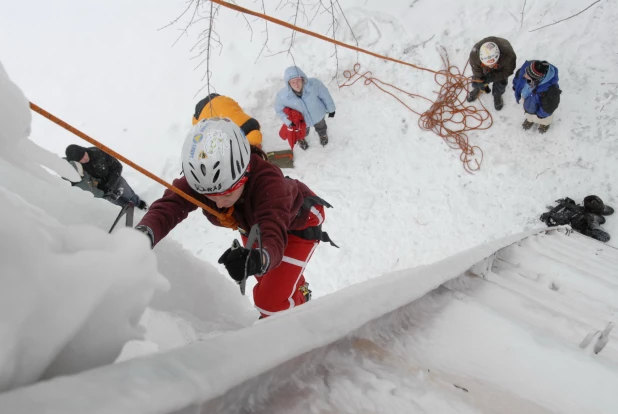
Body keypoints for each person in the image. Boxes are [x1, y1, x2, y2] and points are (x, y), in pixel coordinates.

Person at [134, 117, 337, 318]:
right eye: (210, 197)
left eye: (227, 194)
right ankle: (291, 279)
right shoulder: (204, 176)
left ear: (244, 174)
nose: (219, 203)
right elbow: (171, 205)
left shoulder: (270, 185)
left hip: (300, 223)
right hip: (254, 223)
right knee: (262, 274)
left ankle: (301, 303)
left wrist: (261, 258)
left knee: (268, 304)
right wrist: (144, 234)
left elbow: (272, 234)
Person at [65, 145, 148, 210]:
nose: (85, 158)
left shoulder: (97, 153)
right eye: (81, 159)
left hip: (117, 181)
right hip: (103, 191)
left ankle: (138, 203)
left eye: (84, 154)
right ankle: (127, 208)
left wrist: (109, 186)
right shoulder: (78, 167)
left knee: (129, 195)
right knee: (118, 202)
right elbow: (65, 168)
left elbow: (117, 166)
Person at [274, 66, 336, 149]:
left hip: (318, 114)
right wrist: (289, 122)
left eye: (298, 80)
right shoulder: (282, 97)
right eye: (293, 82)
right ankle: (301, 139)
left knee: (321, 126)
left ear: (302, 79)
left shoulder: (314, 84)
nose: (296, 85)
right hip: (301, 122)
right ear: (288, 84)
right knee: (302, 132)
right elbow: (279, 111)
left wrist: (331, 109)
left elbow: (325, 95)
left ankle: (323, 135)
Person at [192, 93, 263, 147]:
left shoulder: (254, 124)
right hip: (203, 110)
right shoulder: (235, 138)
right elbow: (197, 125)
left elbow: (236, 106)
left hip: (220, 99)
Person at [467, 37, 517, 111]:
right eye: (488, 64)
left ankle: (497, 95)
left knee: (501, 82)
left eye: (493, 63)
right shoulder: (474, 55)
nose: (490, 66)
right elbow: (476, 70)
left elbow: (507, 72)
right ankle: (478, 88)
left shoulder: (509, 56)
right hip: (483, 67)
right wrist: (480, 82)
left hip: (501, 67)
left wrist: (492, 77)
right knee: (477, 79)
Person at [513, 60, 561, 133]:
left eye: (528, 75)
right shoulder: (527, 69)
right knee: (528, 113)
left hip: (539, 107)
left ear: (536, 79)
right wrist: (516, 87)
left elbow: (548, 108)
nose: (524, 75)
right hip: (528, 99)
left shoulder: (550, 91)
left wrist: (540, 115)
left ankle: (544, 124)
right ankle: (530, 120)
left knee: (543, 119)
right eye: (526, 72)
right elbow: (518, 79)